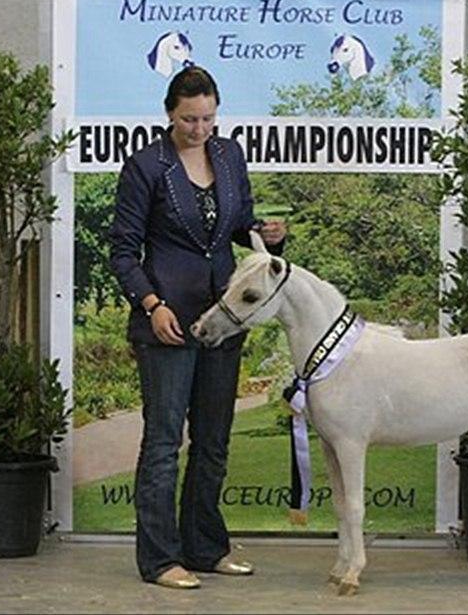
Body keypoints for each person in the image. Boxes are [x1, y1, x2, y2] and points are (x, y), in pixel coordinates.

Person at [109, 66, 286, 589]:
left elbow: (236, 226)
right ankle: (161, 559)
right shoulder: (144, 166)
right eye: (190, 119)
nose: (200, 129)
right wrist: (151, 304)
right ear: (169, 114)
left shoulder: (230, 156)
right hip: (167, 321)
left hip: (222, 321)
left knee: (213, 441)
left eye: (209, 118)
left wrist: (267, 235)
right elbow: (123, 252)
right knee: (164, 443)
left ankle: (206, 547)